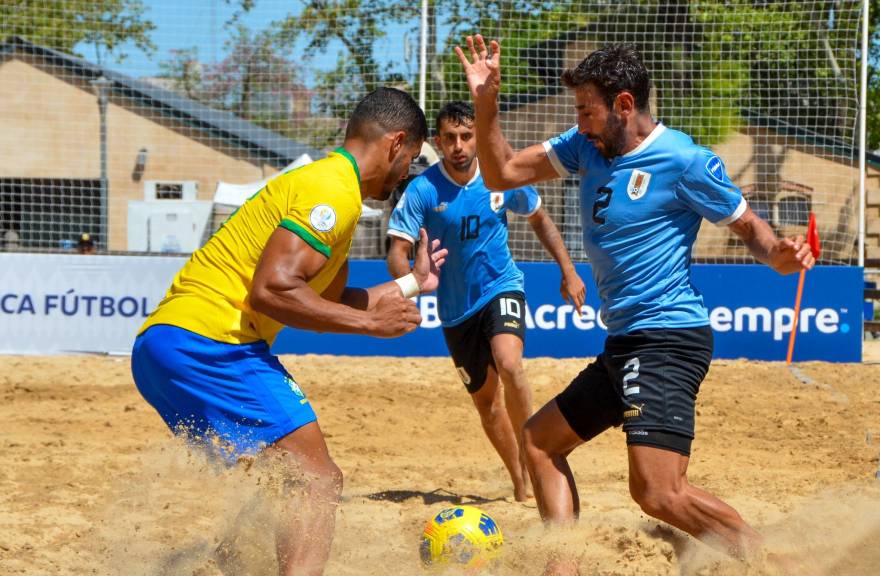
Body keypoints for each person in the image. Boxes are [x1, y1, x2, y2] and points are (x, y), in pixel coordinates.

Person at [455, 37, 815, 574]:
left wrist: (781, 256)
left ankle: (779, 566)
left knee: (657, 492)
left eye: (587, 110)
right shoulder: (586, 146)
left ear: (624, 105)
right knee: (539, 442)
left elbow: (752, 230)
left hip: (670, 338)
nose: (579, 122)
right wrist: (486, 103)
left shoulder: (686, 160)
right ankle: (563, 565)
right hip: (627, 341)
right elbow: (502, 172)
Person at [131, 87, 447, 576]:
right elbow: (272, 292)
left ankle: (222, 568)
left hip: (164, 344)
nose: (408, 172)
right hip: (212, 344)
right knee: (319, 480)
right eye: (411, 158)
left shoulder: (324, 184)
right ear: (396, 143)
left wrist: (413, 283)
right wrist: (370, 326)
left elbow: (330, 302)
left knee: (277, 479)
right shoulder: (332, 192)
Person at [386, 101, 585, 502]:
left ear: (477, 136)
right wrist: (412, 275)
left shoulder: (501, 178)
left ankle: (535, 457)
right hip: (456, 309)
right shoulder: (423, 189)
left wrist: (569, 270)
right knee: (488, 405)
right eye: (450, 138)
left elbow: (541, 219)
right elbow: (396, 250)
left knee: (510, 363)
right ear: (438, 143)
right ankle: (519, 480)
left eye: (466, 136)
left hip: (502, 286)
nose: (459, 146)